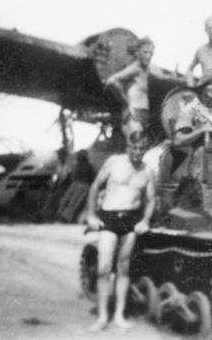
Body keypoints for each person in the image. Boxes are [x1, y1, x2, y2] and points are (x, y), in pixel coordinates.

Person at [86, 131, 156, 332]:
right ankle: (102, 316)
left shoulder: (147, 172)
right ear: (128, 147)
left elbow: (151, 199)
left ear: (145, 150)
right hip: (109, 218)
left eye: (141, 149)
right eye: (134, 148)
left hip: (130, 220)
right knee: (103, 269)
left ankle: (118, 315)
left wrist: (145, 220)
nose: (137, 152)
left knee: (123, 269)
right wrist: (91, 215)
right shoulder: (114, 162)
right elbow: (94, 187)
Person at [174, 68, 212, 179]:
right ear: (203, 86)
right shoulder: (191, 109)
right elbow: (178, 140)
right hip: (198, 167)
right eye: (210, 84)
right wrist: (203, 130)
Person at [105, 37, 154, 133]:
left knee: (140, 146)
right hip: (134, 113)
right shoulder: (135, 69)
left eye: (151, 53)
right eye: (145, 52)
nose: (148, 56)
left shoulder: (145, 70)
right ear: (137, 53)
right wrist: (126, 103)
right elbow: (111, 81)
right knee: (135, 145)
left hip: (143, 114)